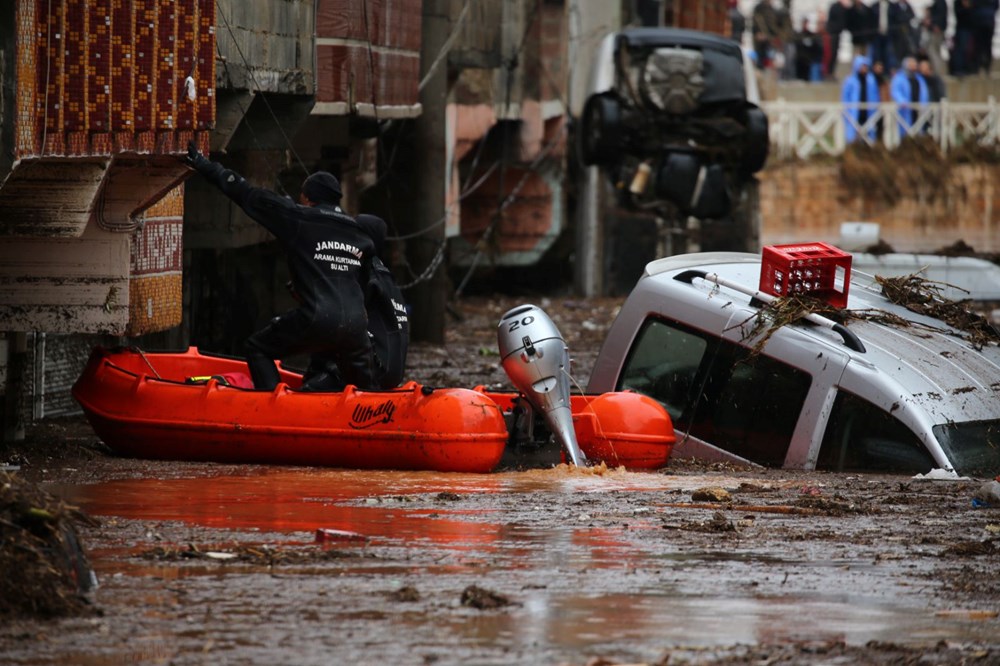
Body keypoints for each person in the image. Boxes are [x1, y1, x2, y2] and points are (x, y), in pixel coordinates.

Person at [184, 143, 377, 391]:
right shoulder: (360, 233)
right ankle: (372, 405)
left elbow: (246, 193)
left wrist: (204, 165)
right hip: (357, 325)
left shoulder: (298, 217)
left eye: (301, 196)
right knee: (364, 388)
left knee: (257, 348)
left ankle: (274, 403)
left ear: (308, 198)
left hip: (318, 317)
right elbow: (366, 280)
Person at [300, 213, 410, 392]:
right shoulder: (385, 276)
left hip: (372, 371)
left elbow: (337, 322)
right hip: (391, 373)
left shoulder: (361, 275)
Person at [842, 55, 881, 143]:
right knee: (853, 134)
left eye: (865, 66)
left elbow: (875, 95)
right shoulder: (850, 80)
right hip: (854, 112)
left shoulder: (871, 80)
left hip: (868, 111)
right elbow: (845, 97)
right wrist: (846, 110)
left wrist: (876, 107)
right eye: (862, 66)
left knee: (869, 135)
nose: (864, 68)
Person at [890, 55, 930, 137]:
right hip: (904, 109)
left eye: (914, 64)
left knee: (918, 128)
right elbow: (895, 91)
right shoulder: (899, 78)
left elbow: (924, 93)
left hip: (918, 108)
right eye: (911, 64)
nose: (914, 66)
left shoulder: (919, 79)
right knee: (904, 128)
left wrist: (924, 104)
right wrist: (902, 101)